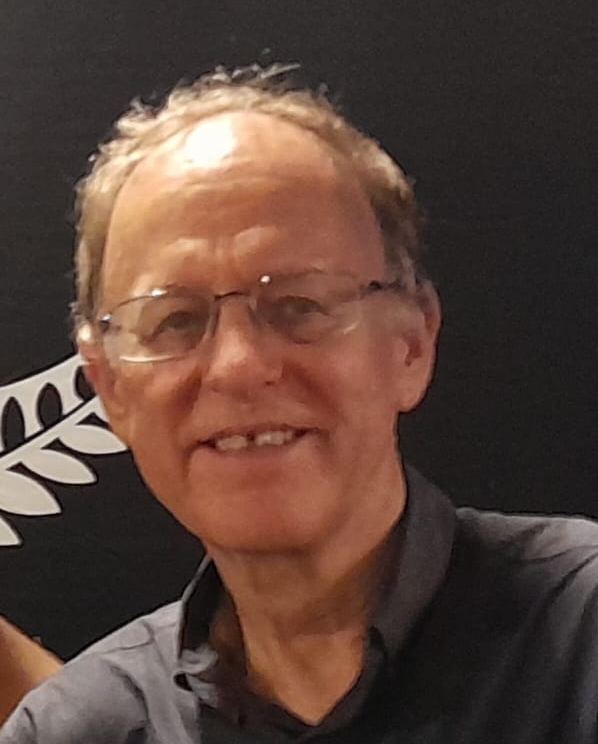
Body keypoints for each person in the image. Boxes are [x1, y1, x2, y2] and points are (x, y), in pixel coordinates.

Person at [2, 63, 598, 743]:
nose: (238, 366)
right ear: (110, 387)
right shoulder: (75, 730)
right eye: (175, 320)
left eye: (298, 305)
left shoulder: (580, 639)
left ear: (410, 344)